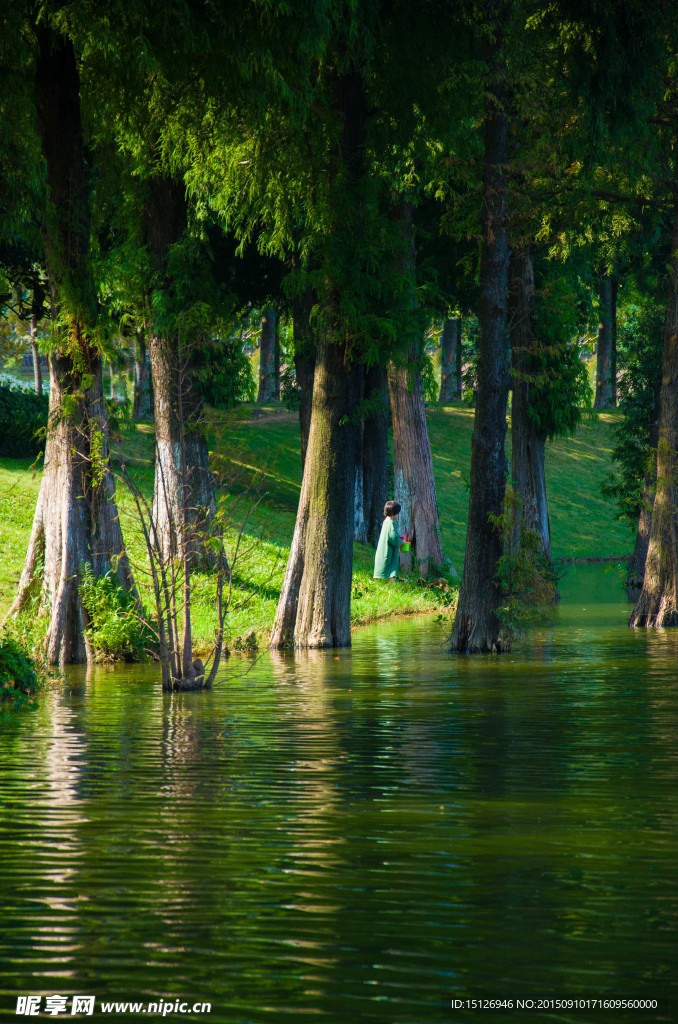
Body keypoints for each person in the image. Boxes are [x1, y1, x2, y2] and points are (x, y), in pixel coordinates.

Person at [373, 500, 402, 579]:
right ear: (394, 513)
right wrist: (402, 542)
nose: (398, 515)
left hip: (383, 550)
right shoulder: (391, 524)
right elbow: (395, 540)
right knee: (390, 571)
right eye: (397, 513)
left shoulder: (385, 522)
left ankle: (388, 584)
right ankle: (391, 585)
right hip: (388, 552)